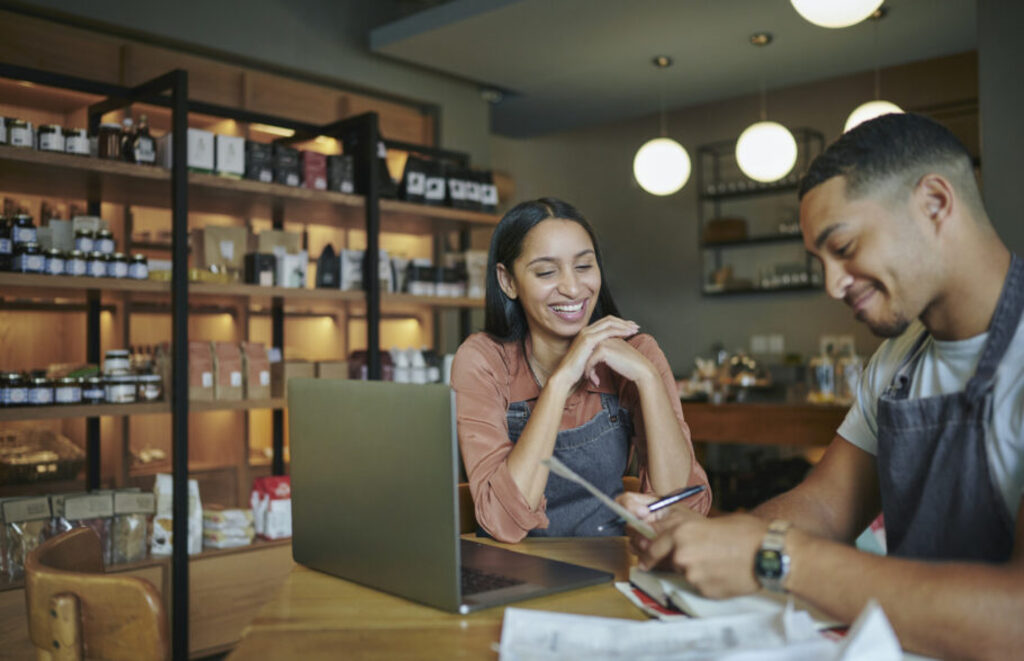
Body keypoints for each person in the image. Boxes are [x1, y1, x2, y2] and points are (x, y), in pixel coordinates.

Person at [624, 113, 1024, 660]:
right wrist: (703, 541)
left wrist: (773, 555)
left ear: (934, 203)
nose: (833, 285)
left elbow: (1014, 620)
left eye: (846, 246)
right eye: (821, 262)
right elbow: (826, 508)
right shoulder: (897, 359)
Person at [452, 197, 710, 543]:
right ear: (507, 281)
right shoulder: (484, 361)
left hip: (611, 567)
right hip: (513, 573)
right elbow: (502, 521)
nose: (573, 288)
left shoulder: (638, 355)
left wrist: (648, 379)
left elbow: (682, 512)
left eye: (584, 267)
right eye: (546, 272)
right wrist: (560, 382)